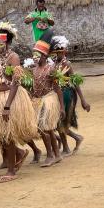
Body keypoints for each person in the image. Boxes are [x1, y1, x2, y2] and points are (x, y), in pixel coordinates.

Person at [0, 22, 38, 182]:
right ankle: (19, 154)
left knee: (8, 134)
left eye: (0, 41)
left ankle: (12, 171)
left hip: (11, 98)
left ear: (7, 41)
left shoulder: (13, 57)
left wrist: (7, 105)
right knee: (2, 135)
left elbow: (15, 82)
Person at [50, 35, 91, 155]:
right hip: (56, 95)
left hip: (67, 94)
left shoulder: (67, 64)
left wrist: (83, 100)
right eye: (56, 52)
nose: (58, 55)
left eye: (60, 52)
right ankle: (76, 138)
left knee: (61, 121)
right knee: (57, 122)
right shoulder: (52, 64)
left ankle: (67, 147)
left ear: (64, 52)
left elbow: (75, 83)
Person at [30, 30, 66, 167]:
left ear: (44, 55)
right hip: (38, 101)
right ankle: (55, 154)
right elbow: (33, 87)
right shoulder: (33, 70)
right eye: (33, 54)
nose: (34, 57)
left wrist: (62, 107)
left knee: (47, 129)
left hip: (49, 99)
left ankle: (52, 155)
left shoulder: (51, 69)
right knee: (44, 130)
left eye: (37, 55)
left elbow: (57, 88)